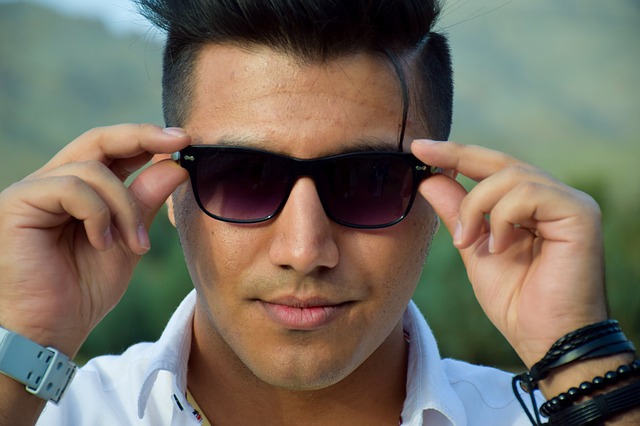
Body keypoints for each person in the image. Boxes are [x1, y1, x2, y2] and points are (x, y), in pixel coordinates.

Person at [0, 0, 638, 425]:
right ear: (171, 191)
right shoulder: (50, 413)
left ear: (439, 197)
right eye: (242, 178)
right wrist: (20, 335)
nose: (304, 251)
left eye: (368, 181)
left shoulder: (560, 416)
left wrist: (581, 356)